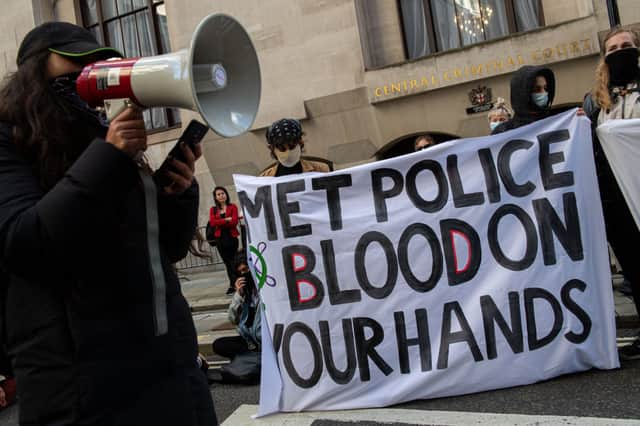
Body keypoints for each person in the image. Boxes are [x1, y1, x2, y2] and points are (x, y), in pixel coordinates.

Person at [0, 22, 217, 424]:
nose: (92, 70)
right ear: (34, 70)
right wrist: (109, 157)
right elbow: (25, 241)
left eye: (99, 61)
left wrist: (177, 192)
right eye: (77, 61)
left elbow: (165, 248)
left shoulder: (102, 138)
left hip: (167, 366)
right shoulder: (9, 141)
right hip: (81, 384)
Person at [586, 27, 640, 361]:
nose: (619, 52)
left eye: (627, 46)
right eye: (613, 48)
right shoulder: (599, 105)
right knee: (635, 269)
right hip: (618, 202)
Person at [212, 254, 261, 361]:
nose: (244, 274)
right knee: (219, 344)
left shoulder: (264, 291)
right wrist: (239, 295)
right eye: (241, 272)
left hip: (262, 340)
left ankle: (251, 359)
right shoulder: (246, 292)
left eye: (246, 269)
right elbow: (232, 319)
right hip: (249, 340)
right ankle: (251, 358)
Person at [491, 65, 555, 134]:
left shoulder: (557, 123)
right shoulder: (503, 132)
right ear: (522, 92)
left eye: (545, 88)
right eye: (537, 89)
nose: (544, 93)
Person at [260, 118, 330, 176]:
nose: (288, 152)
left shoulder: (321, 170)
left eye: (292, 146)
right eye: (282, 149)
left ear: (301, 143)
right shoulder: (264, 179)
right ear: (272, 149)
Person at [209, 186, 240, 295]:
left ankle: (239, 283)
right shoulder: (213, 209)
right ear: (215, 197)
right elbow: (213, 223)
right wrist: (226, 219)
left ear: (226, 194)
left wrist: (220, 221)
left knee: (235, 261)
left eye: (223, 193)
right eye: (218, 194)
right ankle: (232, 284)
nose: (221, 196)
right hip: (220, 239)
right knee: (227, 262)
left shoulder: (233, 207)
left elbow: (235, 222)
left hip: (232, 237)